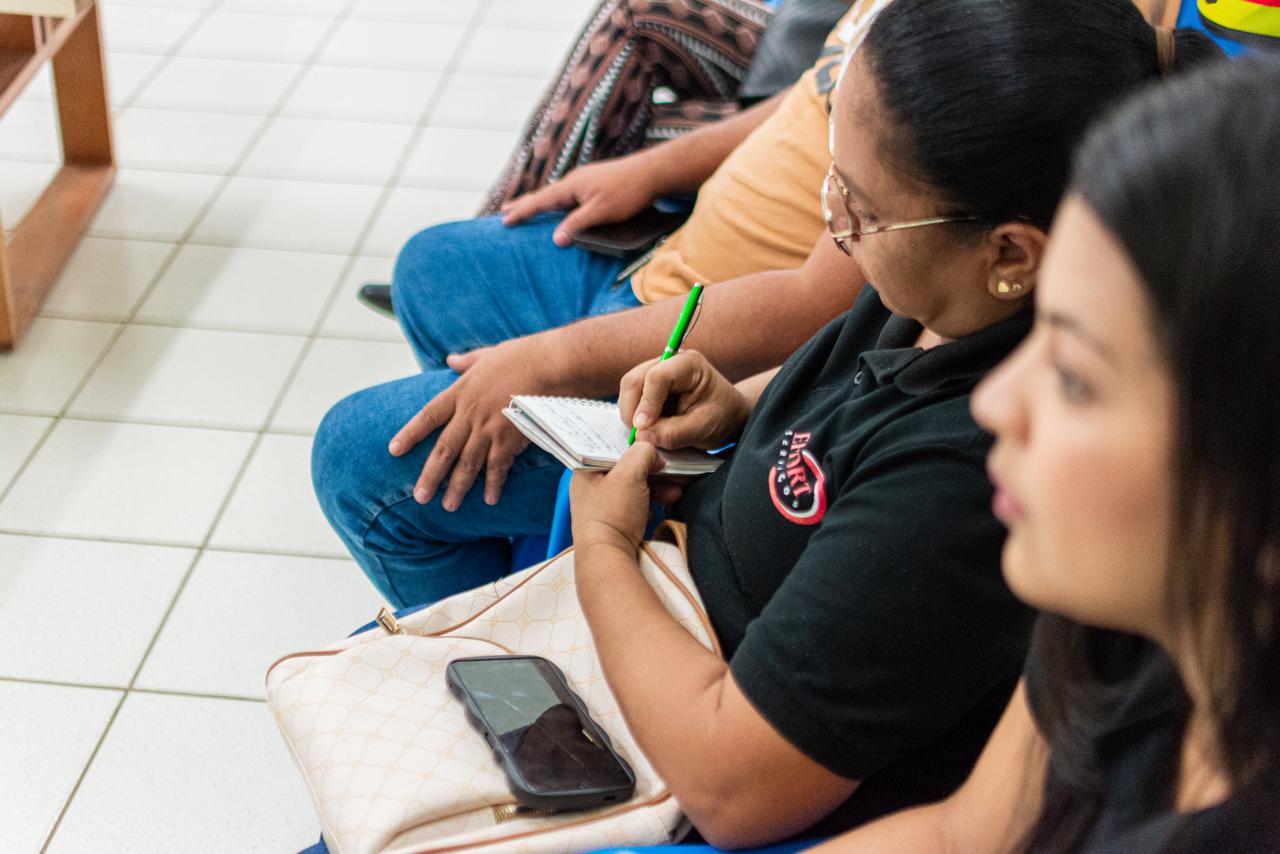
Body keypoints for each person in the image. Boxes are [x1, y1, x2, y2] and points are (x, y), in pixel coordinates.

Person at [536, 1, 1220, 846]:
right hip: (675, 619)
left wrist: (603, 550)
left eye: (861, 205)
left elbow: (732, 788)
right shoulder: (938, 290)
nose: (832, 225)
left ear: (1011, 254)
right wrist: (743, 402)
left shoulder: (974, 479)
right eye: (835, 177)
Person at [807, 54, 1280, 854]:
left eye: (1075, 376)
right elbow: (963, 834)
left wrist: (606, 543)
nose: (996, 403)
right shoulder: (1125, 626)